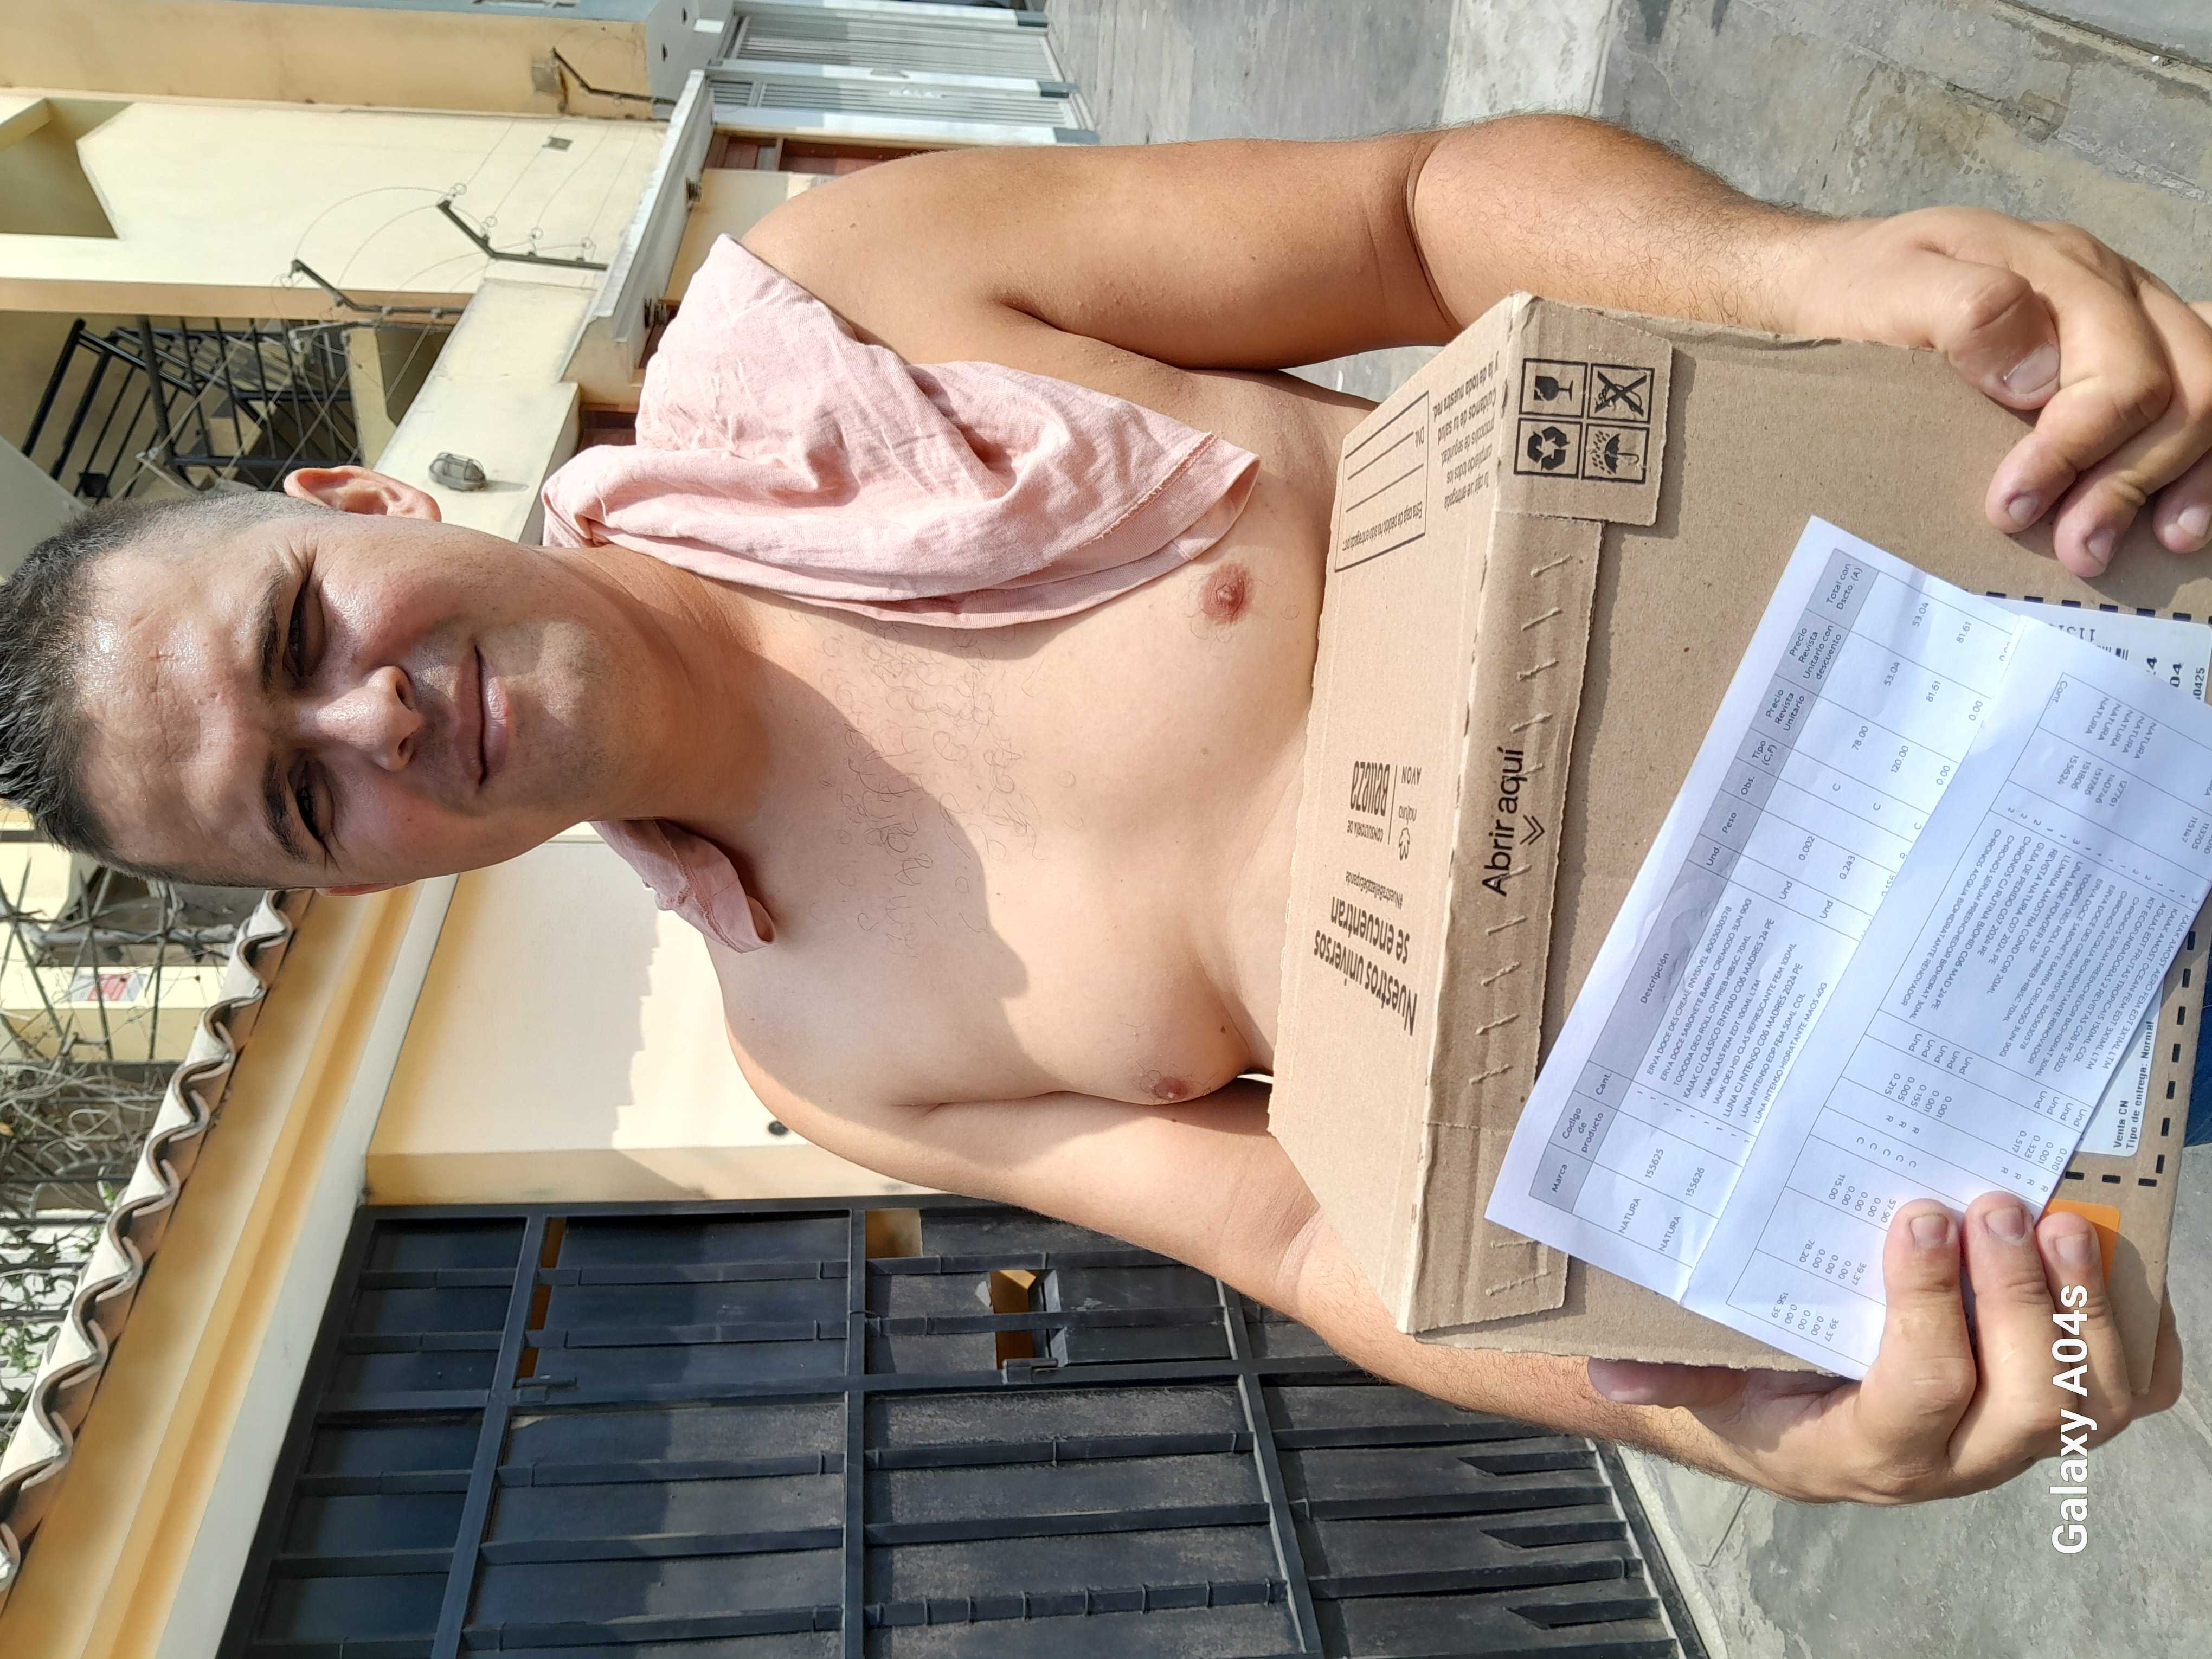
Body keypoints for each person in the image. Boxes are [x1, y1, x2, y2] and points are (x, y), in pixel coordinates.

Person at [0, 117, 2197, 1504]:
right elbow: (1312, 1242)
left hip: (2068, 596)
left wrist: (1802, 273)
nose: (377, 716)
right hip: (2008, 1077)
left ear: (366, 495)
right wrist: (1755, 1428)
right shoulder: (826, 1049)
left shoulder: (855, 315)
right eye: (305, 798)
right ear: (356, 887)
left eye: (304, 628)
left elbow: (1411, 217)